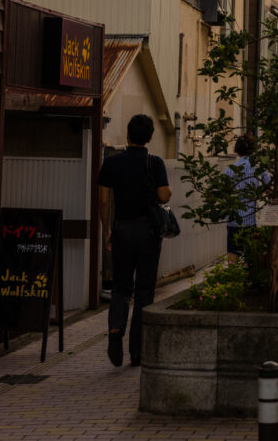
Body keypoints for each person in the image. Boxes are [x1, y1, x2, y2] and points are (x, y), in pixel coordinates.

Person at [98, 114, 171, 368]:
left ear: (128, 135)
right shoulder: (155, 163)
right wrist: (165, 191)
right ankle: (137, 351)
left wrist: (107, 230)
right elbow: (163, 196)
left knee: (121, 286)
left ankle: (116, 329)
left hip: (122, 229)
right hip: (148, 232)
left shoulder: (112, 163)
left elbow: (105, 200)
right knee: (144, 290)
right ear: (150, 137)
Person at [223, 134, 270, 260]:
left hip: (233, 220)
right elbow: (270, 188)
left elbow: (224, 194)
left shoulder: (228, 170)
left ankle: (233, 278)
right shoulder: (259, 167)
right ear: (253, 149)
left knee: (233, 253)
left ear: (236, 150)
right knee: (250, 256)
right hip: (250, 219)